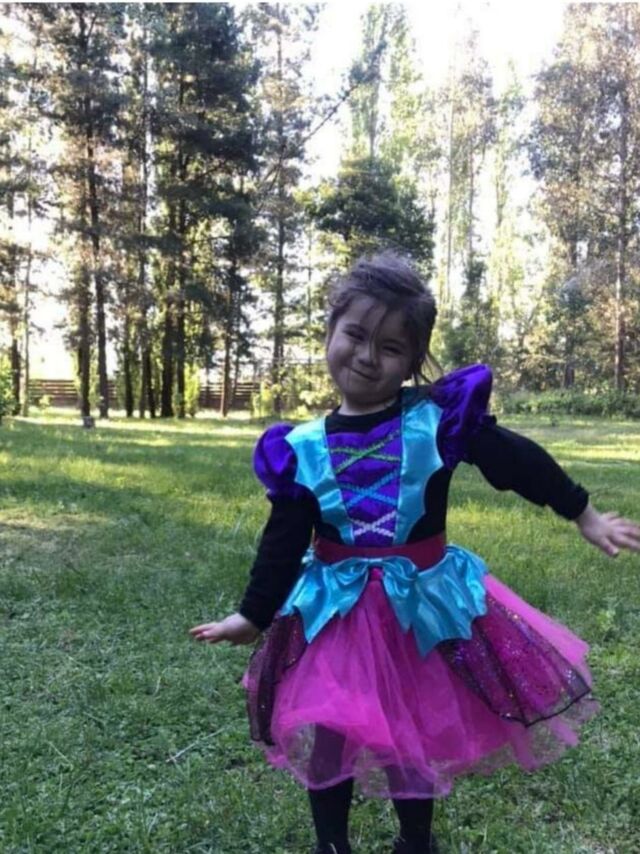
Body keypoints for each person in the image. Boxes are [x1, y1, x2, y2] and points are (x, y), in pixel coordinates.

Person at [190, 252, 640, 854]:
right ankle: (331, 845)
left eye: (391, 347)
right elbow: (282, 542)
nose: (367, 356)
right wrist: (252, 614)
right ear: (330, 332)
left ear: (411, 360)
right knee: (330, 728)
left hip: (421, 610)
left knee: (412, 729)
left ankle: (415, 842)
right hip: (337, 618)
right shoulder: (301, 448)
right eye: (355, 335)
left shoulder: (437, 422)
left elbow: (517, 462)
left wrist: (582, 512)